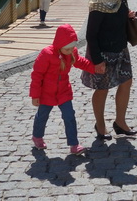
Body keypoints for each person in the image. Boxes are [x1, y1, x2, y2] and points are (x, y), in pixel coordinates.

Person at [80, 0, 137, 140]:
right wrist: (97, 60)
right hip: (102, 53)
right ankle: (100, 125)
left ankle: (120, 122)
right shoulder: (98, 3)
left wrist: (128, 15)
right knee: (102, 89)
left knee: (126, 82)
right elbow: (91, 35)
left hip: (120, 49)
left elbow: (120, 15)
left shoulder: (121, 0)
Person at [30, 24, 104, 155]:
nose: (70, 51)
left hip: (64, 91)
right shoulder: (47, 54)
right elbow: (37, 75)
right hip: (46, 93)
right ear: (59, 45)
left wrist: (94, 68)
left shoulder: (71, 52)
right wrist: (35, 95)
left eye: (72, 48)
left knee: (69, 116)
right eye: (67, 49)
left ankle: (74, 144)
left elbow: (80, 62)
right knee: (42, 116)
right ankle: (37, 136)